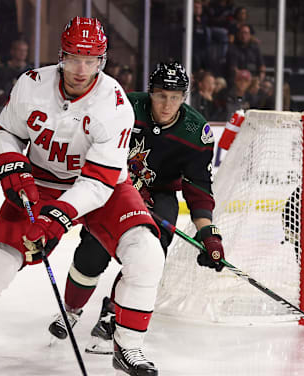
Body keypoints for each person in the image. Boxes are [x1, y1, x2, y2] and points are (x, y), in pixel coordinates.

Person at [0, 17, 166, 376]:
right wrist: (12, 165)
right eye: (73, 58)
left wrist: (58, 218)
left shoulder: (115, 104)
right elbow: (4, 132)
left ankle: (128, 350)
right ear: (61, 56)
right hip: (40, 184)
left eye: (91, 60)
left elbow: (99, 183)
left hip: (101, 187)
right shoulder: (31, 84)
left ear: (102, 61)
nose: (81, 69)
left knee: (147, 253)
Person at [46, 61, 225, 358]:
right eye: (161, 95)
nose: (167, 104)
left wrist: (210, 236)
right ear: (150, 92)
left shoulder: (196, 132)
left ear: (185, 97)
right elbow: (89, 148)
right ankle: (71, 309)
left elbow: (199, 191)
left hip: (159, 195)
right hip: (114, 186)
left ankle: (113, 313)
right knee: (94, 249)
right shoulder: (124, 107)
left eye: (175, 97)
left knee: (152, 251)